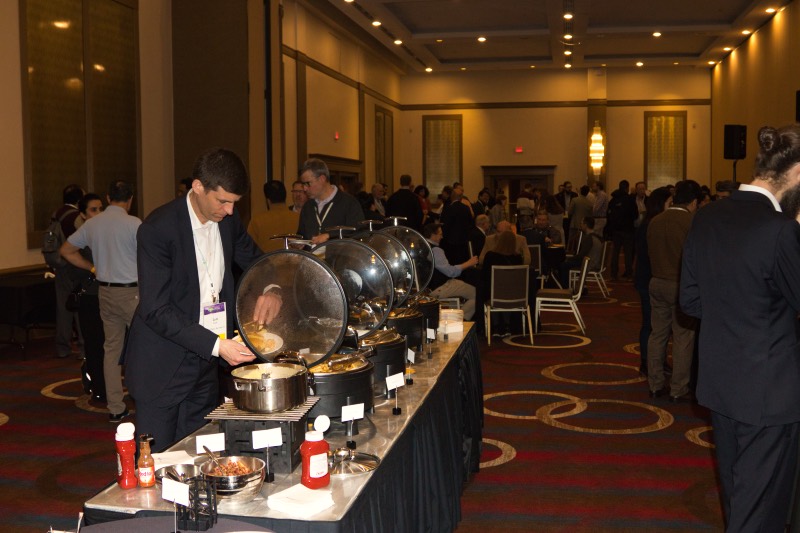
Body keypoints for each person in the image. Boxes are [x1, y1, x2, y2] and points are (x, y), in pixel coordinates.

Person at [681, 125, 800, 532]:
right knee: (760, 515)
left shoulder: (707, 217)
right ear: (797, 173)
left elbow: (690, 301)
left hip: (721, 385)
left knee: (740, 501)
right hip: (770, 395)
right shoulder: (781, 230)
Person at [124, 148, 281, 451]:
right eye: (222, 201)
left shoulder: (228, 221)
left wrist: (272, 289)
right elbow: (155, 309)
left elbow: (260, 262)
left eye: (235, 203)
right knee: (159, 461)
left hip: (206, 365)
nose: (230, 211)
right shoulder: (158, 229)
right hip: (162, 364)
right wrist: (218, 346)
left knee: (202, 453)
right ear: (198, 187)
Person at [60, 181, 140, 422]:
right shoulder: (134, 224)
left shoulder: (93, 224)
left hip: (105, 291)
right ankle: (144, 399)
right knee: (142, 347)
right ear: (130, 199)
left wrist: (92, 267)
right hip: (132, 293)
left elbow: (66, 250)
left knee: (112, 349)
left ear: (107, 198)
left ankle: (115, 407)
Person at [646, 180, 701, 402]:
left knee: (657, 334)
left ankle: (655, 383)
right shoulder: (692, 222)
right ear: (694, 202)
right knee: (683, 337)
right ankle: (678, 388)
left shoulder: (655, 221)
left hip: (656, 281)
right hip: (681, 285)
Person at [633, 187, 672, 376]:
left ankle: (655, 361)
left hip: (650, 278)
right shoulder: (651, 224)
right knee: (651, 324)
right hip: (648, 279)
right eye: (670, 203)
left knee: (659, 325)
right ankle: (647, 362)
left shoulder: (653, 223)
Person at [72, 193, 106, 402]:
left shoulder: (106, 231)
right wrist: (93, 268)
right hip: (90, 297)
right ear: (83, 215)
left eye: (101, 208)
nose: (99, 213)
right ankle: (98, 387)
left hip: (111, 295)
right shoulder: (82, 235)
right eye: (93, 210)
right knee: (95, 344)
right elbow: (66, 254)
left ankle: (108, 385)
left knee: (112, 345)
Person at [52, 184, 86, 359]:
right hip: (75, 265)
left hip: (59, 266)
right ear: (79, 200)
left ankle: (62, 347)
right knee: (80, 305)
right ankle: (83, 347)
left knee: (63, 307)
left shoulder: (56, 214)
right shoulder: (76, 217)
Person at [296, 158, 363, 243]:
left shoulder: (349, 203)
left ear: (322, 179)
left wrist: (330, 236)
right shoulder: (307, 206)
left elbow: (359, 233)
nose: (305, 188)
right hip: (312, 252)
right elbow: (301, 234)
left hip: (340, 251)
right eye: (303, 184)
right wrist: (298, 242)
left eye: (307, 183)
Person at [423, 223, 478, 320]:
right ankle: (458, 319)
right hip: (439, 287)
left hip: (427, 289)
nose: (442, 237)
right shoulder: (435, 250)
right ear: (433, 235)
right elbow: (450, 272)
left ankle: (455, 318)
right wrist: (469, 263)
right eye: (440, 234)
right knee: (477, 294)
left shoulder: (421, 247)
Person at [480, 230, 524, 337]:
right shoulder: (518, 258)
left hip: (494, 295)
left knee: (493, 291)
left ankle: (495, 327)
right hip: (514, 296)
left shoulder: (490, 256)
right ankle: (507, 325)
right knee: (506, 291)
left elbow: (484, 276)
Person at [248, 180, 300, 253]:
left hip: (267, 259)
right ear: (285, 197)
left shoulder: (257, 221)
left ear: (268, 200)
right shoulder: (299, 218)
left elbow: (249, 249)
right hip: (294, 259)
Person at [606, 180, 638, 280]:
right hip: (628, 229)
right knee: (628, 253)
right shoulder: (629, 200)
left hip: (616, 230)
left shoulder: (613, 200)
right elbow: (635, 214)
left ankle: (613, 273)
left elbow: (608, 214)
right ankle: (629, 274)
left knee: (615, 252)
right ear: (627, 188)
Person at [440, 182, 474, 264]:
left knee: (452, 262)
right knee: (462, 262)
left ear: (452, 196)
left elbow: (445, 225)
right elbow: (471, 223)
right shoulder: (466, 208)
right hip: (463, 241)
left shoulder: (449, 208)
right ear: (461, 197)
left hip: (451, 241)